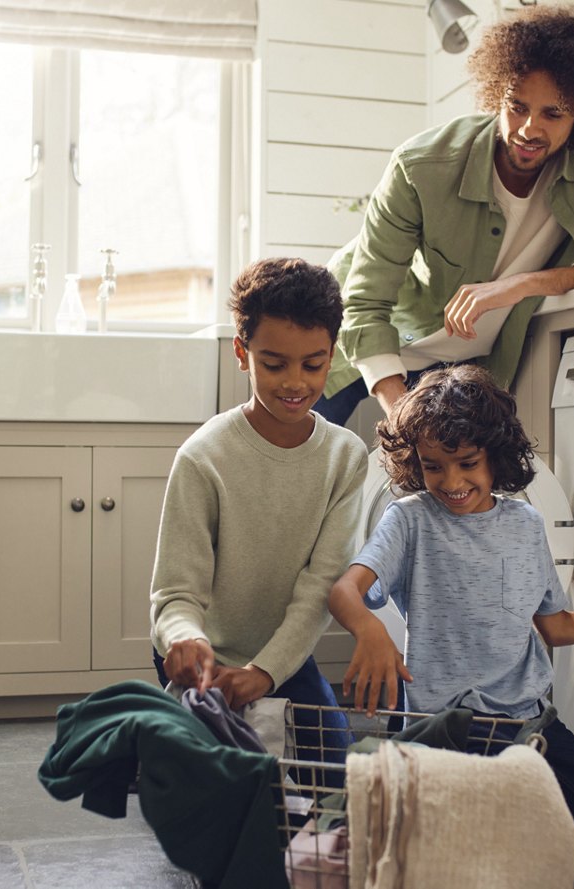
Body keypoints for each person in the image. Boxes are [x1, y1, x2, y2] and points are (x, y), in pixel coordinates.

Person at [328, 364, 574, 862]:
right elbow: (344, 592)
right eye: (434, 465)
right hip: (442, 726)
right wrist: (370, 630)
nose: (451, 480)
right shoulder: (410, 518)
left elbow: (556, 625)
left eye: (466, 463)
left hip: (525, 723)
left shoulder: (525, 524)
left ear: (494, 457)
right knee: (417, 852)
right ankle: (490, 818)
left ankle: (500, 814)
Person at [317, 5, 574, 427]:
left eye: (552, 113)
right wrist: (404, 419)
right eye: (516, 106)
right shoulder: (420, 166)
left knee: (450, 483)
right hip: (366, 336)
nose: (527, 128)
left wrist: (520, 286)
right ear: (496, 93)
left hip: (467, 363)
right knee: (303, 457)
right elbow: (366, 304)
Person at [149, 257, 368, 772]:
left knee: (333, 780)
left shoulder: (345, 457)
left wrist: (265, 673)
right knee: (214, 790)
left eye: (313, 365)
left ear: (332, 355)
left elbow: (319, 587)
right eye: (274, 364)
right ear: (242, 353)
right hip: (198, 655)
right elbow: (176, 594)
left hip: (281, 656)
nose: (295, 383)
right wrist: (186, 640)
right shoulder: (203, 457)